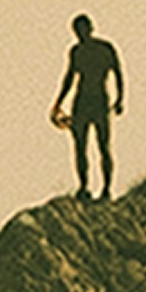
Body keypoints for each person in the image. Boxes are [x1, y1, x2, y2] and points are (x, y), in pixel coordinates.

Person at [51, 14, 124, 199]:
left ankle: (106, 189)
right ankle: (84, 187)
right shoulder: (76, 51)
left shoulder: (105, 48)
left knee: (103, 146)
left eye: (82, 29)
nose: (80, 34)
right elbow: (69, 78)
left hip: (100, 100)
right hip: (81, 101)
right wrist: (58, 103)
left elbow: (118, 73)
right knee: (80, 146)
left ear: (90, 28)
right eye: (77, 31)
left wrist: (120, 99)